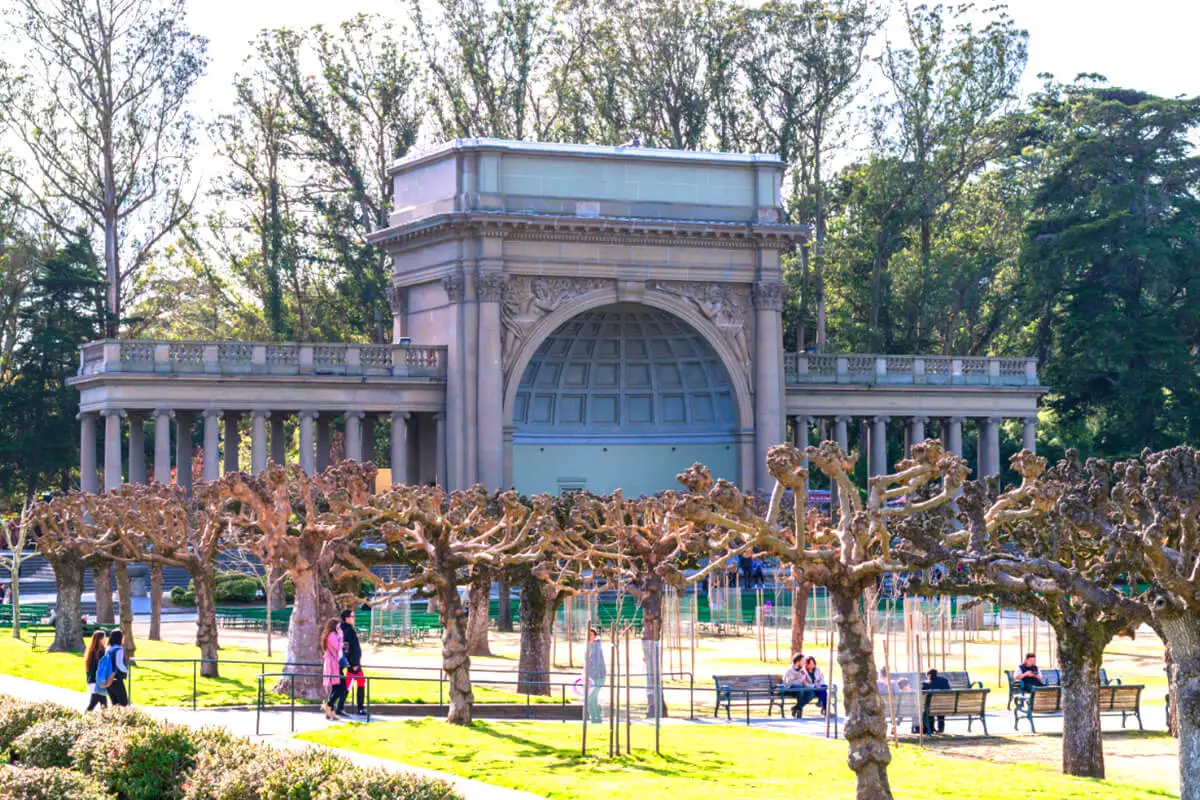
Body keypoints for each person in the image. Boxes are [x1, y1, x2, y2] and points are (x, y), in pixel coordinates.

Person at [320, 618, 347, 719]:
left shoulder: (334, 635)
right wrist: (341, 636)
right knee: (342, 686)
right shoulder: (331, 635)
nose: (339, 628)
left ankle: (330, 711)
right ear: (334, 626)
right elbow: (337, 646)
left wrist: (340, 637)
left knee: (337, 687)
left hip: (336, 663)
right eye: (338, 626)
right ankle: (328, 705)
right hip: (333, 664)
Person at [585, 628, 606, 724]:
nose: (589, 637)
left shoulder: (596, 647)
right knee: (592, 698)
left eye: (591, 635)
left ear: (595, 636)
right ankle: (595, 718)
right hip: (592, 677)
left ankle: (596, 719)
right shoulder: (590, 646)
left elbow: (595, 663)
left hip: (598, 676)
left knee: (592, 698)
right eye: (587, 635)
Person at [83, 630, 108, 711]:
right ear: (100, 639)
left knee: (102, 702)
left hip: (92, 680)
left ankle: (106, 719)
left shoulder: (91, 652)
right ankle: (82, 718)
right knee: (95, 703)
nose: (105, 639)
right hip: (98, 681)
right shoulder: (101, 651)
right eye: (104, 638)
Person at [921, 668, 951, 734]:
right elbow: (949, 692)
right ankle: (941, 729)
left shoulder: (925, 684)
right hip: (943, 706)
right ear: (936, 674)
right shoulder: (944, 681)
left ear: (928, 675)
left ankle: (931, 729)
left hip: (930, 707)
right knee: (940, 707)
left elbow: (922, 695)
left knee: (928, 709)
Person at [105, 630, 129, 707]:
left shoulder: (108, 648)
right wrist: (126, 670)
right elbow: (119, 664)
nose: (124, 639)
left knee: (114, 701)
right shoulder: (119, 649)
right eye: (123, 637)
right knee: (123, 702)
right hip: (116, 678)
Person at [782, 653, 808, 718]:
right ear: (798, 661)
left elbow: (804, 683)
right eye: (803, 661)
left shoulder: (801, 670)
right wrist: (801, 679)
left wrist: (805, 680)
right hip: (789, 689)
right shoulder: (790, 670)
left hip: (799, 690)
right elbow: (789, 683)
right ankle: (799, 710)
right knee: (800, 688)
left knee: (811, 693)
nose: (804, 663)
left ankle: (796, 708)